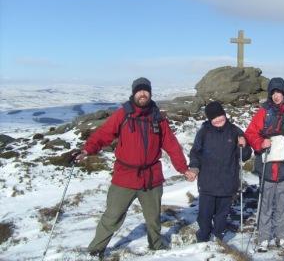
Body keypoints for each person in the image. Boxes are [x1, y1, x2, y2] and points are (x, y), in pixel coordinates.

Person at [74, 77, 196, 257]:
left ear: (150, 93)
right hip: (125, 176)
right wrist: (87, 149)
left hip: (151, 177)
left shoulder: (158, 117)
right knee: (112, 216)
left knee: (153, 218)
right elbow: (104, 134)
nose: (142, 94)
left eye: (145, 90)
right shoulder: (123, 114)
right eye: (139, 90)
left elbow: (171, 145)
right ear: (134, 93)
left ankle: (156, 246)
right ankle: (95, 250)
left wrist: (183, 168)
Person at [244, 77, 284, 252]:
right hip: (267, 164)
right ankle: (264, 238)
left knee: (282, 203)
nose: (276, 96)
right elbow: (250, 133)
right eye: (273, 93)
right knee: (265, 203)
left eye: (279, 93)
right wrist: (260, 143)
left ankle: (282, 236)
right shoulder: (263, 112)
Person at [188, 101, 252, 242]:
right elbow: (195, 153)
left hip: (227, 182)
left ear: (224, 115)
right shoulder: (203, 132)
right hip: (207, 182)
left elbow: (245, 155)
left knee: (222, 215)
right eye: (214, 119)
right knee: (204, 215)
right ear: (209, 119)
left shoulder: (235, 131)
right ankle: (203, 238)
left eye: (221, 117)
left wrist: (244, 145)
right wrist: (194, 168)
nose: (218, 121)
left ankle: (218, 238)